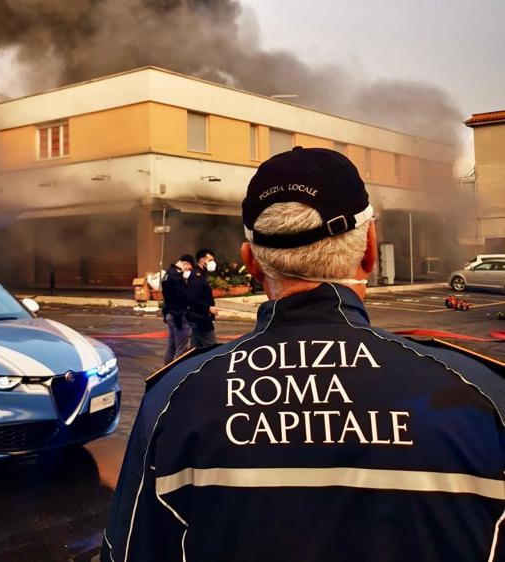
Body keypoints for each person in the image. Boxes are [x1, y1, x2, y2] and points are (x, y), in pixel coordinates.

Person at [102, 147, 505, 562]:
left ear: (252, 265)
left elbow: (128, 550)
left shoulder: (172, 400)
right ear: (369, 248)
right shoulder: (483, 397)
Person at [161, 254, 195, 364]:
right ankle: (176, 374)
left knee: (171, 347)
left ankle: (165, 371)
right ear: (185, 264)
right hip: (178, 316)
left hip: (170, 314)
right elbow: (183, 295)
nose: (188, 271)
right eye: (189, 268)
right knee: (182, 348)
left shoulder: (167, 273)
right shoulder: (176, 276)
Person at [185, 248, 219, 348]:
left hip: (199, 318)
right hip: (201, 319)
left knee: (196, 349)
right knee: (211, 349)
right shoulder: (196, 276)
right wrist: (208, 308)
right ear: (202, 260)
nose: (213, 263)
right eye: (210, 260)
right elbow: (192, 299)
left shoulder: (201, 275)